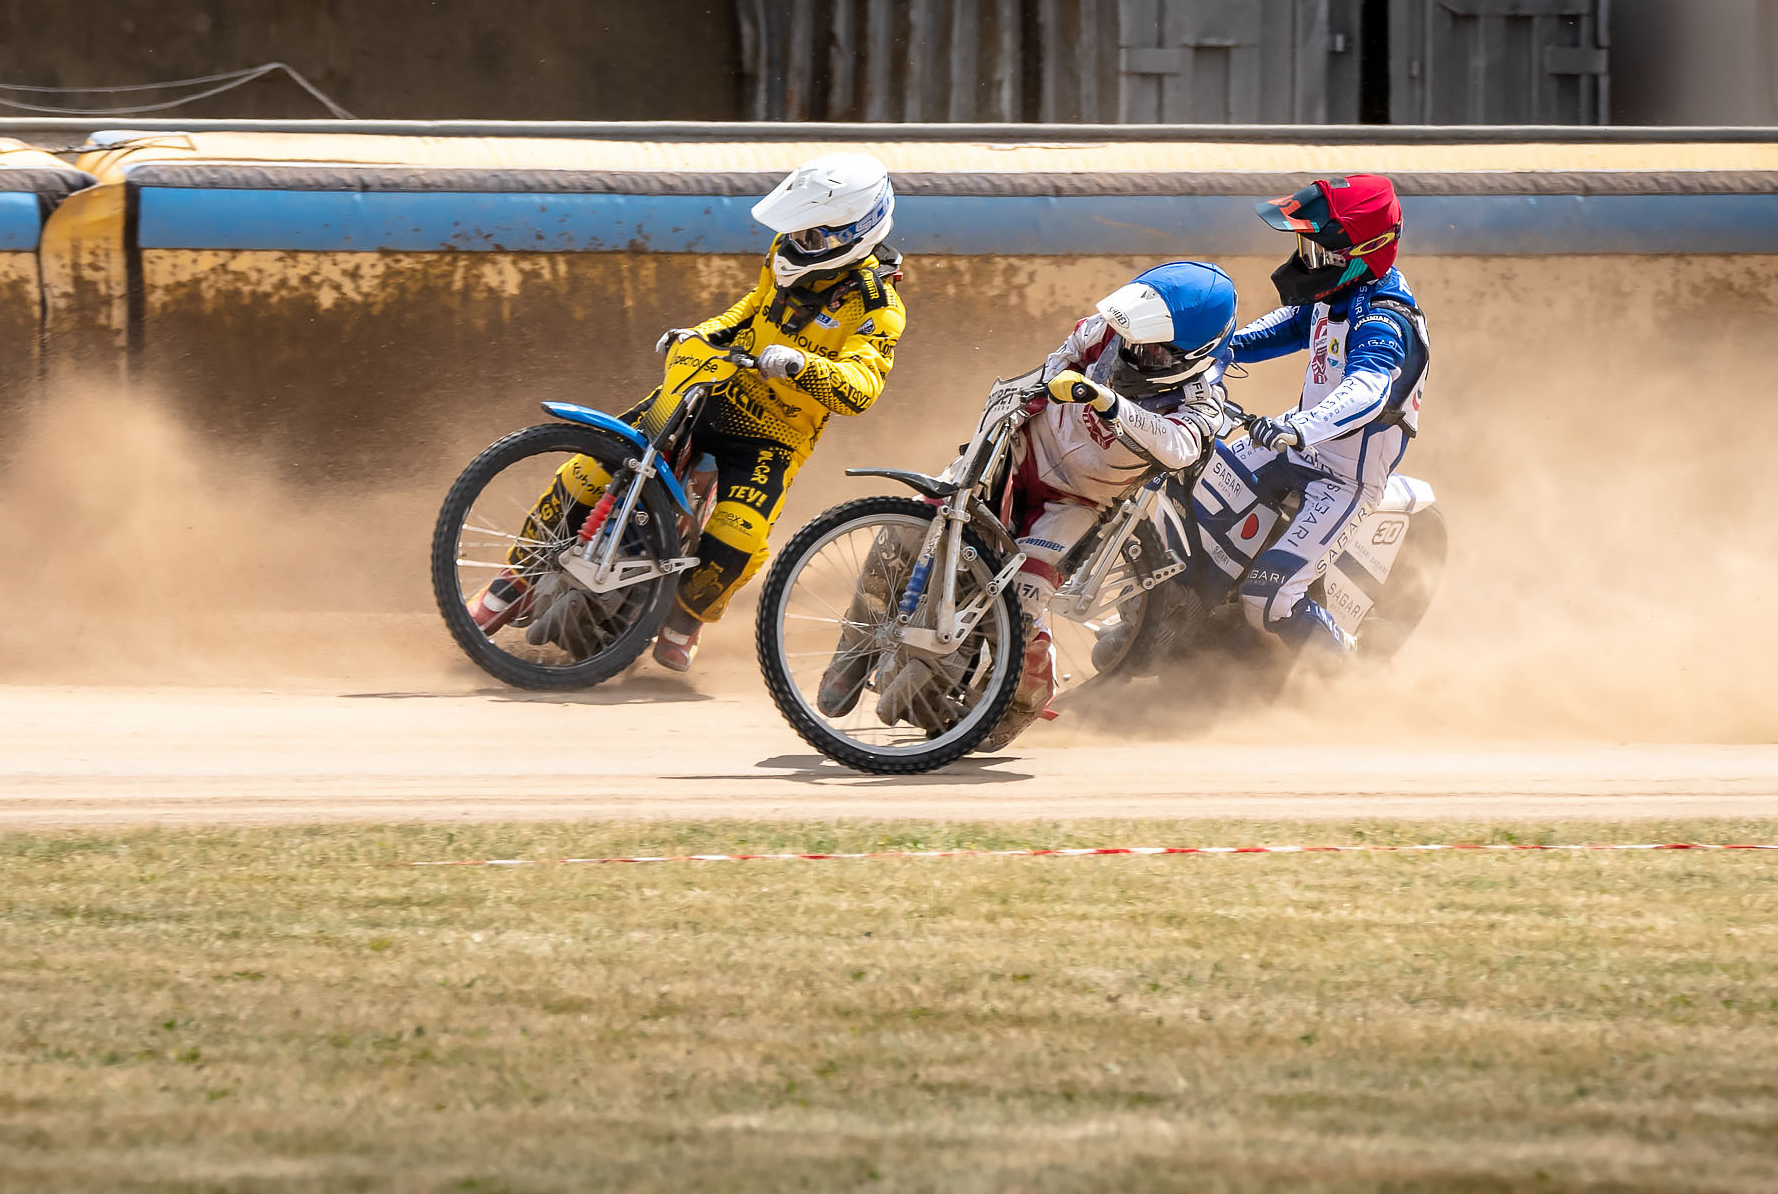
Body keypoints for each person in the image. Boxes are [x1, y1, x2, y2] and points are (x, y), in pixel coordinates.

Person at [465, 152, 906, 671]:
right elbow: (753, 308)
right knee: (589, 469)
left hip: (773, 433)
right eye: (794, 229)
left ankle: (682, 619)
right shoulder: (782, 254)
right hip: (709, 387)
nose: (794, 243)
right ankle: (514, 581)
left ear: (853, 233)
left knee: (739, 535)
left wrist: (800, 365)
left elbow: (862, 387)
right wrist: (704, 333)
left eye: (809, 236)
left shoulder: (879, 307)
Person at [971, 261, 1239, 751]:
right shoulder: (1112, 330)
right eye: (1136, 336)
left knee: (1019, 604)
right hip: (1024, 449)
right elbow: (1072, 346)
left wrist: (1111, 404)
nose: (1136, 350)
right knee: (931, 513)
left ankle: (1025, 698)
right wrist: (1049, 381)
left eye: (1155, 347)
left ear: (1195, 353)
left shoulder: (1202, 401)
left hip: (1076, 502)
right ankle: (864, 627)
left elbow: (1180, 447)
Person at [1227, 174, 1429, 656]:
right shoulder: (1336, 294)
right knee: (1190, 478)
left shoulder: (1384, 315)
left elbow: (1369, 388)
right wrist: (1215, 349)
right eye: (1304, 246)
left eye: (1317, 251)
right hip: (1295, 446)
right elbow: (1291, 325)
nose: (1304, 261)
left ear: (1363, 253)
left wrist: (1299, 427)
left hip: (1343, 478)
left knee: (1268, 597)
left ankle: (1351, 669)